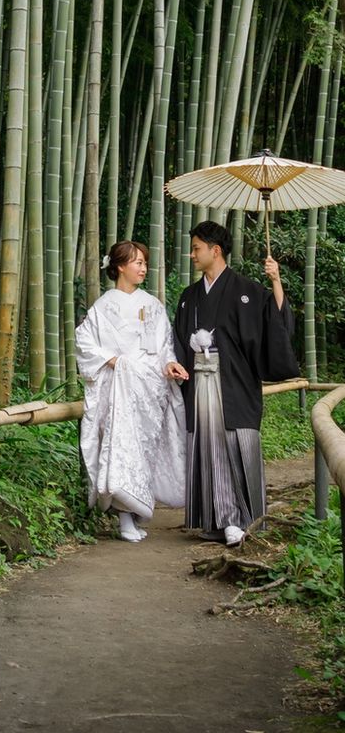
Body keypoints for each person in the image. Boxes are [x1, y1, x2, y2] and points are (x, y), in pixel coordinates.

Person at [170, 220, 300, 546]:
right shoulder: (189, 296)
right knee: (208, 448)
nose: (192, 254)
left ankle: (241, 520)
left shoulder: (248, 291)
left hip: (235, 384)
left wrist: (276, 281)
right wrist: (177, 364)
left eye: (196, 248)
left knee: (236, 443)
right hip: (199, 383)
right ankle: (218, 520)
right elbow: (177, 341)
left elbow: (276, 324)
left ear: (215, 250)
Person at [75, 240, 186, 543]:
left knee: (144, 451)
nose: (143, 268)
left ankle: (134, 514)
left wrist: (170, 364)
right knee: (122, 448)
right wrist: (114, 361)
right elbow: (85, 342)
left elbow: (164, 346)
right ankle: (124, 518)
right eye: (137, 262)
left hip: (149, 389)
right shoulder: (103, 307)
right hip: (119, 387)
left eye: (145, 263)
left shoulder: (153, 305)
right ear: (120, 266)